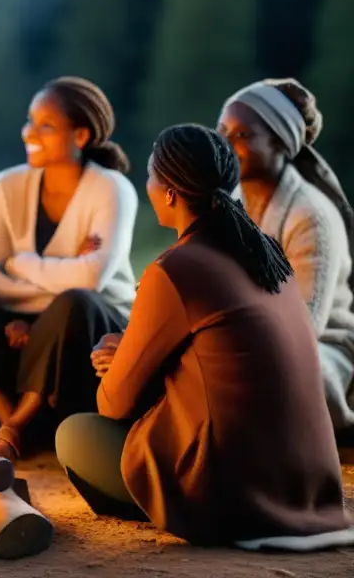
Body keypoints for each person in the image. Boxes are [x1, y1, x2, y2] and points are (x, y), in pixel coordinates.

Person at [56, 124, 353, 548]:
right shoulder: (266, 252)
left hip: (234, 497)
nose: (148, 186)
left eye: (151, 176)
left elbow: (114, 403)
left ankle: (177, 508)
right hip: (310, 489)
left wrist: (120, 363)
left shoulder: (175, 269)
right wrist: (137, 351)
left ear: (172, 192)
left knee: (75, 435)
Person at [0, 77, 137, 459]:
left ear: (82, 135)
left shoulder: (111, 189)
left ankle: (21, 426)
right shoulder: (6, 186)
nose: (30, 133)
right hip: (14, 325)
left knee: (75, 301)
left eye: (46, 126)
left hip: (87, 328)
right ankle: (3, 420)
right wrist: (47, 285)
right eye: (29, 121)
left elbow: (91, 279)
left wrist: (22, 264)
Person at [218, 78, 354, 433]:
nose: (227, 144)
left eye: (243, 135)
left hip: (320, 351)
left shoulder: (310, 216)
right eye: (222, 131)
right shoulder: (227, 205)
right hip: (247, 343)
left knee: (273, 377)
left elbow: (304, 329)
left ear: (280, 143)